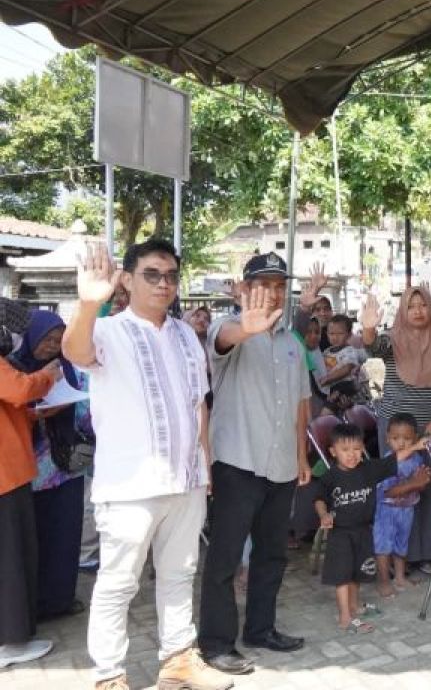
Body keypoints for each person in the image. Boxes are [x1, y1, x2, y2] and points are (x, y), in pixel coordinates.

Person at [63, 240, 231, 690]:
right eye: (152, 274)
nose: (163, 283)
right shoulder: (108, 330)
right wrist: (87, 303)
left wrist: (206, 462)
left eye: (171, 275)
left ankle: (177, 658)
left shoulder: (184, 336)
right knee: (118, 584)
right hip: (130, 485)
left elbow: (199, 404)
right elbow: (76, 352)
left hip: (187, 479)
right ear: (128, 279)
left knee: (180, 574)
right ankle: (109, 677)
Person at [199, 252, 314, 675]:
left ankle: (261, 629)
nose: (273, 291)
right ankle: (215, 643)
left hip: (282, 464)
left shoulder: (290, 342)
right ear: (245, 289)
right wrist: (246, 328)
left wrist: (302, 455)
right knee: (225, 559)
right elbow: (225, 338)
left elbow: (303, 402)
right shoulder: (227, 329)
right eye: (263, 284)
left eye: (279, 284)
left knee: (272, 554)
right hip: (238, 462)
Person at [361, 287, 431, 574]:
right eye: (411, 306)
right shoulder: (392, 340)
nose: (418, 311)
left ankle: (428, 554)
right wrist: (368, 328)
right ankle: (391, 556)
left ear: (430, 309)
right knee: (395, 491)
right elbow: (372, 346)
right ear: (403, 311)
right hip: (395, 431)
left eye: (422, 305)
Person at [8, 311, 89, 621]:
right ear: (32, 337)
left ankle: (59, 600)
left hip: (66, 466)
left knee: (66, 537)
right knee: (34, 539)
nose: (52, 346)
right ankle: (33, 604)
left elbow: (84, 407)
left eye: (59, 340)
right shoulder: (14, 369)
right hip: (28, 472)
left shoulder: (67, 368)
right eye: (47, 339)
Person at [314, 424, 428, 633]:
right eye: (345, 450)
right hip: (340, 534)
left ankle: (355, 606)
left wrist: (416, 447)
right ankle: (345, 618)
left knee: (358, 573)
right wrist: (324, 515)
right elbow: (319, 499)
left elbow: (394, 459)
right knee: (343, 576)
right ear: (333, 452)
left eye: (356, 449)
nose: (352, 455)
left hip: (363, 530)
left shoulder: (368, 469)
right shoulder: (330, 477)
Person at [0, 353, 59, 669]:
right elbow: (18, 389)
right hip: (5, 473)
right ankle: (10, 642)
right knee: (11, 558)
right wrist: (49, 376)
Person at [374, 414, 431, 598]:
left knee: (401, 544)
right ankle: (383, 582)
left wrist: (424, 482)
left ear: (415, 438)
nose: (401, 443)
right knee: (383, 546)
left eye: (407, 439)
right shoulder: (389, 461)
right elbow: (387, 493)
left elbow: (420, 484)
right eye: (395, 438)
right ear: (387, 438)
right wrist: (415, 483)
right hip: (386, 511)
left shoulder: (417, 459)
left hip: (406, 509)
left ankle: (399, 577)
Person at [320, 314, 366, 397]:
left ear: (349, 335)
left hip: (346, 385)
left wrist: (327, 379)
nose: (335, 337)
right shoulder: (326, 352)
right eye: (331, 333)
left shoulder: (349, 351)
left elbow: (347, 368)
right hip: (331, 385)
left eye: (340, 333)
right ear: (326, 334)